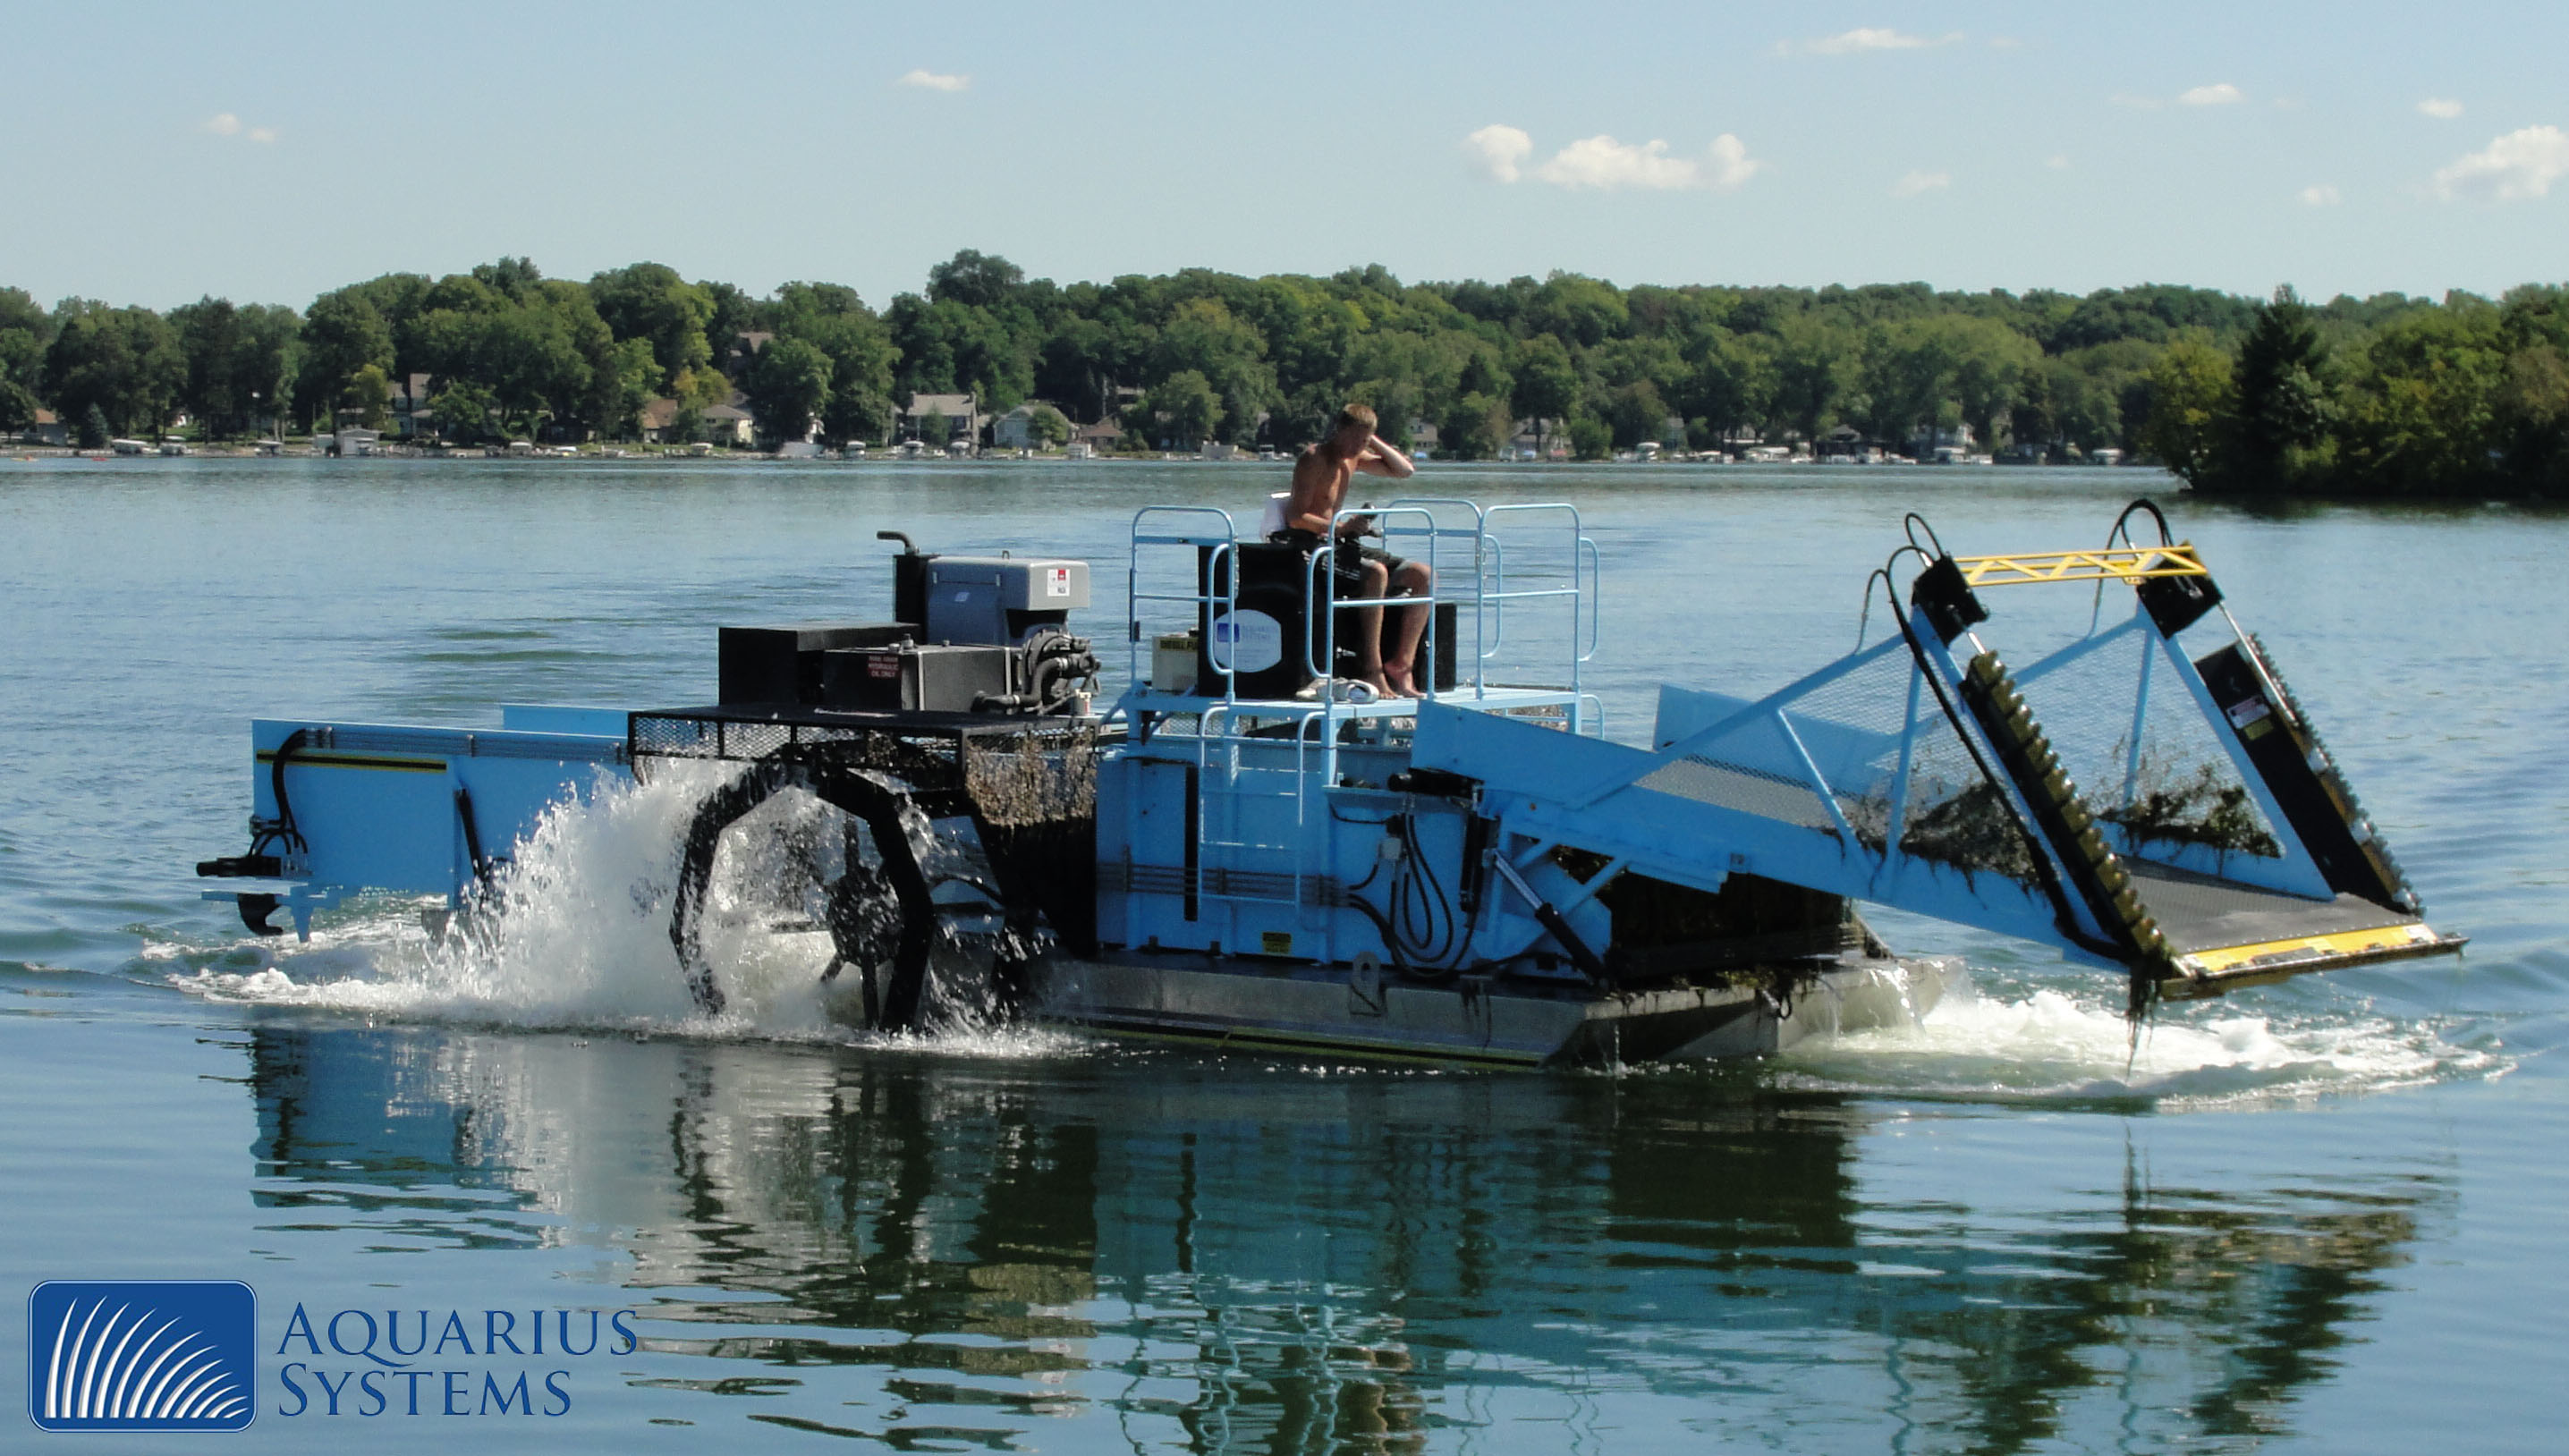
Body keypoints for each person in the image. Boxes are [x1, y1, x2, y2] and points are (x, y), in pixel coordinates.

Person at [1272, 403, 1426, 696]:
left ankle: (1402, 667)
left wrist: (1372, 439)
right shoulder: (1315, 458)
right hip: (1309, 546)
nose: (1358, 446)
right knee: (1375, 573)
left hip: (1338, 543)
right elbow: (1296, 517)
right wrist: (1339, 528)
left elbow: (1404, 470)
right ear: (1339, 430)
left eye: (1363, 441)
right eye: (1354, 438)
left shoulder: (1354, 458)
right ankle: (1373, 669)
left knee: (1421, 575)